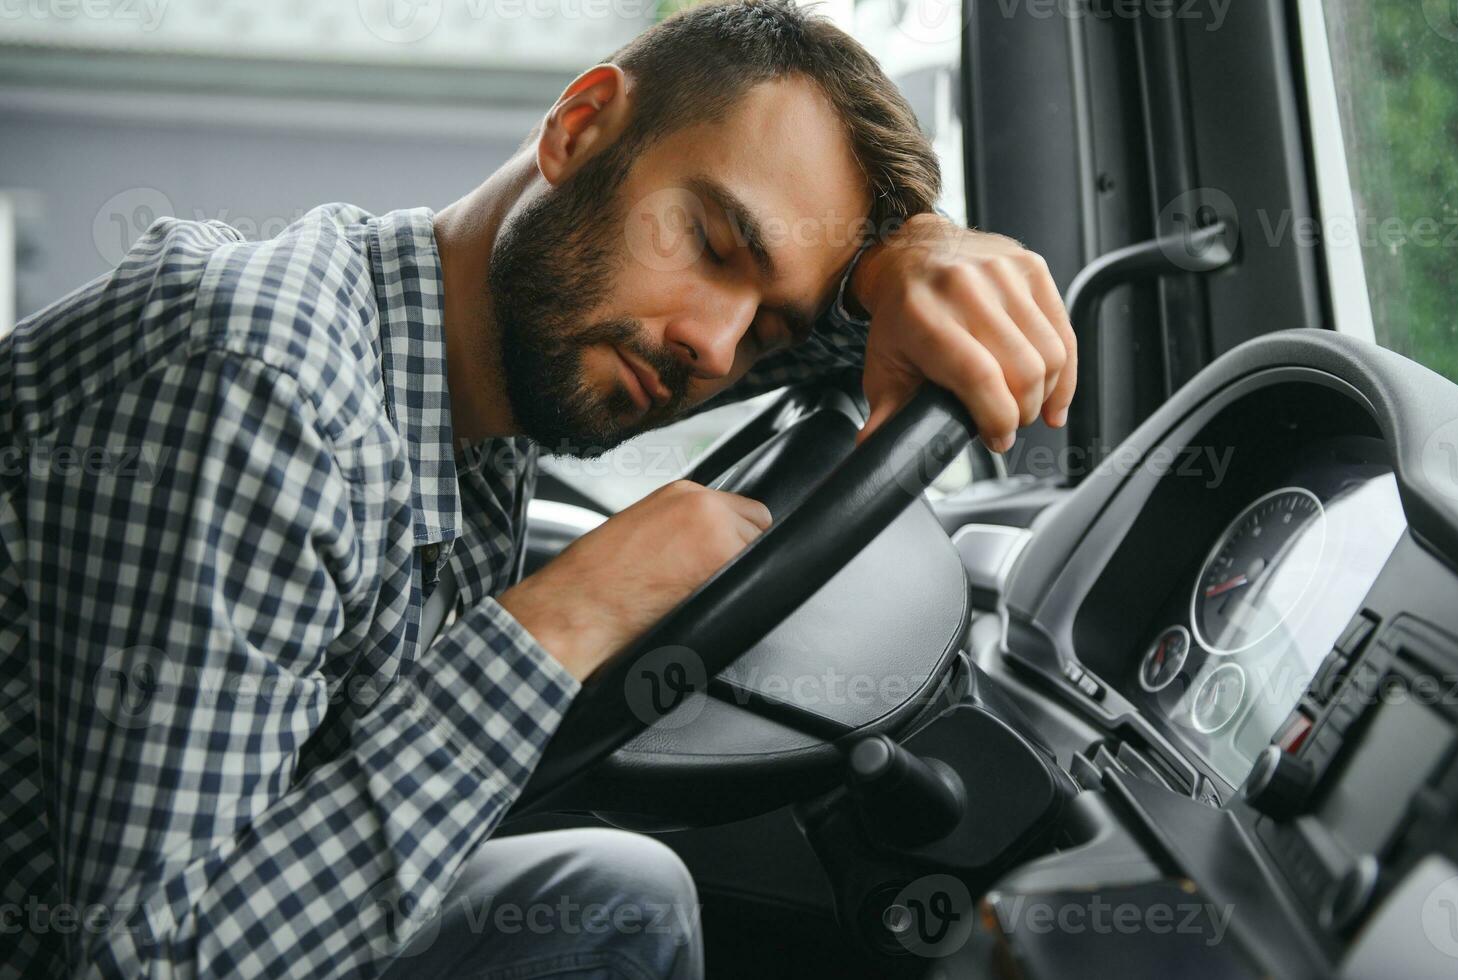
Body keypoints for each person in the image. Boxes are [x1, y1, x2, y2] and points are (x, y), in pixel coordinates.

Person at [0, 1, 1076, 976]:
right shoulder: (268, 388)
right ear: (579, 126)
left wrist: (911, 256)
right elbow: (141, 961)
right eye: (708, 239)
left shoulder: (475, 360)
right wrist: (572, 614)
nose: (714, 345)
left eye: (769, 327)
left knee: (621, 892)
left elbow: (850, 341)